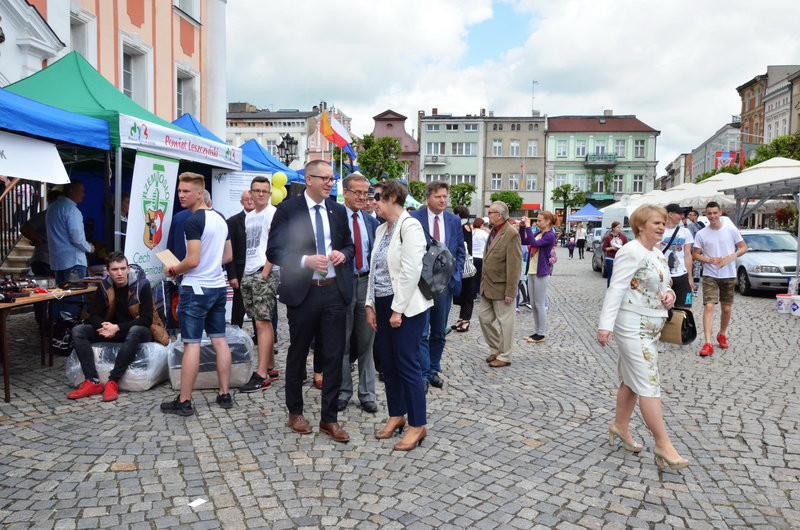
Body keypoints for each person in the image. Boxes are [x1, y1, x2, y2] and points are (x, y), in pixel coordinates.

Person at [266, 160, 354, 443]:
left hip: (333, 291)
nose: (330, 183)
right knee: (298, 352)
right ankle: (295, 411)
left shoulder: (338, 210)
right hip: (303, 293)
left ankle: (330, 419)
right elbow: (274, 250)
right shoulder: (288, 209)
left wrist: (342, 254)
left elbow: (350, 246)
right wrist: (304, 260)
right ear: (309, 179)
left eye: (332, 179)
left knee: (332, 355)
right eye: (325, 178)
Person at [597, 204, 689, 471]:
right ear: (640, 225)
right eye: (656, 223)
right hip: (632, 325)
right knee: (649, 382)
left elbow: (665, 284)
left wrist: (669, 296)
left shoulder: (657, 253)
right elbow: (616, 289)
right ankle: (663, 443)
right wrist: (605, 326)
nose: (661, 227)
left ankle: (620, 426)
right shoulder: (630, 251)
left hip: (652, 326)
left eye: (663, 223)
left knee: (630, 380)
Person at [365, 179, 432, 451]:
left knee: (407, 365)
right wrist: (370, 304)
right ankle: (397, 415)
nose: (374, 202)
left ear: (393, 197)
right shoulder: (383, 229)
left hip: (406, 307)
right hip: (382, 303)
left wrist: (397, 310)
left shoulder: (410, 225)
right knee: (388, 365)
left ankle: (418, 425)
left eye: (378, 197)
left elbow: (411, 270)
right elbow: (375, 271)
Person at [160, 173, 234, 416]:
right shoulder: (220, 219)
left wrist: (172, 269)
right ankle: (224, 394)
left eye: (186, 192)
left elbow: (191, 260)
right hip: (217, 287)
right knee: (219, 339)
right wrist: (209, 265)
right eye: (179, 191)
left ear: (200, 193)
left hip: (196, 288)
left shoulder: (192, 221)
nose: (181, 195)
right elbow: (227, 257)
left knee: (191, 344)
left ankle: (185, 400)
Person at [68, 252, 167, 402]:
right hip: (113, 330)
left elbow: (146, 320)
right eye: (115, 269)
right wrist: (105, 327)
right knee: (78, 330)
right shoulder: (104, 286)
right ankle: (92, 381)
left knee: (135, 330)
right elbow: (93, 314)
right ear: (108, 271)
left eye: (122, 268)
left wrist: (117, 328)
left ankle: (113, 381)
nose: (120, 273)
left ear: (128, 269)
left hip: (139, 331)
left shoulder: (142, 285)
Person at [409, 181, 465, 389]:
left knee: (439, 330)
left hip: (444, 286)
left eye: (445, 196)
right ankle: (423, 373)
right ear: (428, 198)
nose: (443, 200)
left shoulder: (453, 221)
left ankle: (433, 368)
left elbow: (460, 251)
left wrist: (455, 276)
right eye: (438, 196)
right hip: (421, 285)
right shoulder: (414, 218)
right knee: (422, 331)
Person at [338, 173, 380, 413]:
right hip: (343, 284)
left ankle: (367, 394)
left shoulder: (371, 222)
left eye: (366, 193)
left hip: (365, 284)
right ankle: (343, 391)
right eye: (358, 192)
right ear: (346, 192)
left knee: (367, 342)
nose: (363, 197)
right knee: (342, 342)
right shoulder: (335, 219)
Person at [238, 178, 282, 392]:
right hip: (250, 271)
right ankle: (271, 367)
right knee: (260, 322)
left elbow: (276, 243)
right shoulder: (250, 217)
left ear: (270, 193)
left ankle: (262, 373)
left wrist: (265, 272)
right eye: (257, 191)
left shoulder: (272, 213)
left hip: (263, 273)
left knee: (263, 323)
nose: (261, 194)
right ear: (251, 193)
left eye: (265, 191)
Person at [691, 202, 747, 357]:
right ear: (706, 215)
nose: (712, 216)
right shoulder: (702, 233)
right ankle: (708, 343)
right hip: (710, 274)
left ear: (720, 213)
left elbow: (744, 247)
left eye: (715, 213)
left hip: (728, 274)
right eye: (709, 213)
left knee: (726, 308)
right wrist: (707, 260)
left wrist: (731, 257)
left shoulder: (731, 230)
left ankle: (722, 333)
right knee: (709, 306)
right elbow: (695, 254)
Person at [480, 201, 522, 368]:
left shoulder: (511, 233)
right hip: (487, 285)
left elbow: (515, 265)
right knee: (484, 319)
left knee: (505, 322)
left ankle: (505, 356)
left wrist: (511, 291)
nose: (488, 214)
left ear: (500, 215)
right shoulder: (493, 230)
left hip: (502, 286)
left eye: (490, 212)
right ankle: (496, 348)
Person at [46, 181, 94, 317]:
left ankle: (57, 329)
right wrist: (89, 248)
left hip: (58, 261)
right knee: (72, 300)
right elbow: (77, 238)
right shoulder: (72, 210)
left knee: (60, 297)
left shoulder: (52, 208)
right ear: (72, 191)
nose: (84, 195)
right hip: (73, 261)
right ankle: (68, 330)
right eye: (82, 191)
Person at [519, 211, 557, 343]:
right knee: (533, 304)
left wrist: (529, 227)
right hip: (532, 271)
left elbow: (534, 244)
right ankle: (537, 331)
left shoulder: (550, 235)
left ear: (547, 222)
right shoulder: (539, 233)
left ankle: (541, 333)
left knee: (539, 304)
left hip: (542, 272)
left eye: (540, 221)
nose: (537, 223)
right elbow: (525, 240)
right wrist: (523, 227)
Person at [225, 190, 255, 331]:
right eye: (246, 199)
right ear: (241, 202)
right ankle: (235, 337)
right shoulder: (232, 221)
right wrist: (232, 275)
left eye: (251, 199)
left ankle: (261, 338)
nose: (249, 201)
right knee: (238, 307)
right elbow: (229, 250)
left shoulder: (264, 218)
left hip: (259, 270)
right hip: (240, 271)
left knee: (260, 307)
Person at [659, 204, 694, 310]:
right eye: (678, 213)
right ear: (669, 214)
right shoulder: (660, 232)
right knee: (663, 307)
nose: (681, 216)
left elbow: (687, 255)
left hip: (681, 274)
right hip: (665, 276)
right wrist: (664, 276)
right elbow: (657, 255)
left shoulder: (685, 232)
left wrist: (690, 277)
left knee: (684, 308)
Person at [451, 205, 477, 332]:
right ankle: (461, 319)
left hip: (466, 264)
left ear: (458, 214)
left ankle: (466, 321)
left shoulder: (464, 227)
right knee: (463, 293)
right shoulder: (466, 225)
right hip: (463, 263)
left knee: (467, 293)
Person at [602, 221, 629, 287]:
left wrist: (622, 249)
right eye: (618, 227)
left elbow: (627, 248)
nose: (620, 229)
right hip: (610, 258)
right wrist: (612, 248)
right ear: (613, 228)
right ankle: (609, 289)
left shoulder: (623, 237)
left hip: (620, 258)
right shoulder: (608, 237)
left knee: (619, 275)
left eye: (620, 227)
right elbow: (604, 248)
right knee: (611, 275)